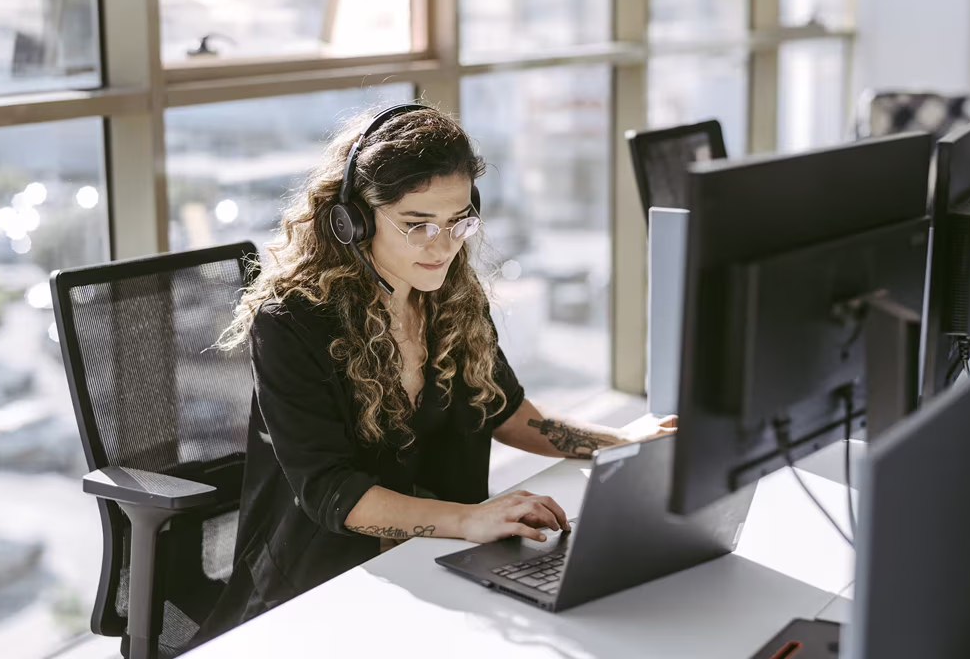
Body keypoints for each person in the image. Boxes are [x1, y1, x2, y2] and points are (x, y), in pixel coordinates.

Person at [196, 104, 675, 642]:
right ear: (352, 219)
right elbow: (334, 493)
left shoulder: (450, 293)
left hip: (441, 557)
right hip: (327, 585)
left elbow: (505, 408)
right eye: (416, 224)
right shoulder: (293, 320)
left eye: (457, 222)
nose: (443, 245)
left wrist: (618, 441)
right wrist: (471, 520)